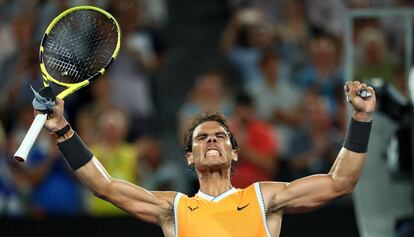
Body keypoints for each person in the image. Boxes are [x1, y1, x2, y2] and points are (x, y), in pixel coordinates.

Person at [37, 81, 375, 237]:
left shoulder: (263, 198)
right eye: (202, 138)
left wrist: (361, 120)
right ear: (189, 158)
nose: (212, 139)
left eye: (220, 136)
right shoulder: (173, 209)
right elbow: (104, 186)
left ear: (234, 153)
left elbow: (339, 182)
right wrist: (62, 129)